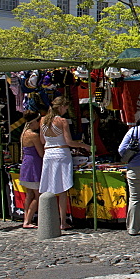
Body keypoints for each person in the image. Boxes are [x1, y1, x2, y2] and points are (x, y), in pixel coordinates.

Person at [40, 97, 91, 229]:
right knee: (62, 189)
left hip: (48, 154)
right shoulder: (62, 121)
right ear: (61, 107)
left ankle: (49, 219)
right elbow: (69, 142)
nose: (66, 110)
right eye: (66, 108)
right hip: (61, 153)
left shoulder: (42, 120)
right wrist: (84, 146)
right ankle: (63, 222)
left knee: (48, 188)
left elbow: (42, 140)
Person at [18, 111, 44, 229]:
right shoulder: (33, 136)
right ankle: (28, 220)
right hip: (34, 166)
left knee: (29, 194)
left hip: (26, 164)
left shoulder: (24, 134)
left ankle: (26, 219)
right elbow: (41, 153)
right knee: (37, 195)